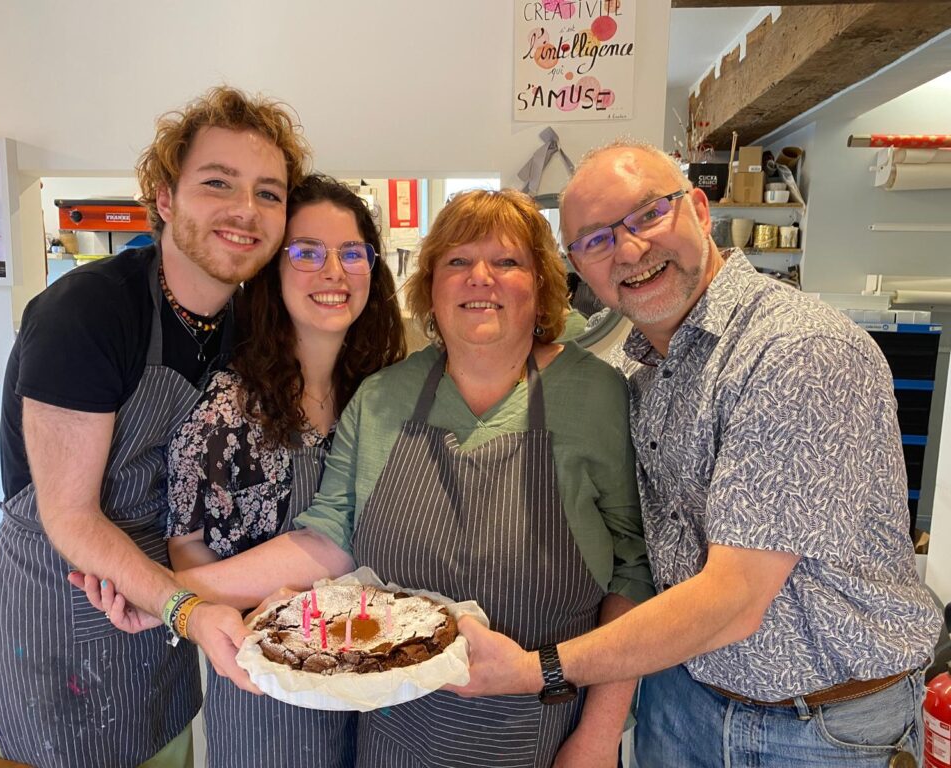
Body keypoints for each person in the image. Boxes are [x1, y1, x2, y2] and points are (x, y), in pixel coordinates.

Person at [84, 188, 653, 767]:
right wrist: (166, 597)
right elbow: (330, 535)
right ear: (429, 284)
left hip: (542, 735)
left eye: (508, 261)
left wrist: (599, 734)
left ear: (542, 284)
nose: (480, 277)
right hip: (390, 737)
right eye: (457, 261)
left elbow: (635, 572)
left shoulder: (598, 397)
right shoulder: (385, 396)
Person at [449, 142, 944, 767]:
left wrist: (534, 669)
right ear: (579, 270)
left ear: (701, 210)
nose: (628, 250)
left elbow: (733, 600)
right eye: (596, 241)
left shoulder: (796, 350)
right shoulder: (643, 373)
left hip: (820, 729)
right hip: (682, 701)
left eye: (648, 214)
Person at [0, 86, 311, 768]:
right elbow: (69, 517)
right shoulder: (89, 313)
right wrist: (187, 607)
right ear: (164, 197)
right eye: (218, 183)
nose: (245, 210)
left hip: (153, 613)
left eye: (269, 193)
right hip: (56, 616)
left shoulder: (243, 326)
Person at [167, 174, 405, 768]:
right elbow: (185, 545)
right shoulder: (229, 407)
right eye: (306, 253)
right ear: (272, 270)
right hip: (266, 692)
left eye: (352, 253)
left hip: (373, 676)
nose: (334, 272)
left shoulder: (379, 396)